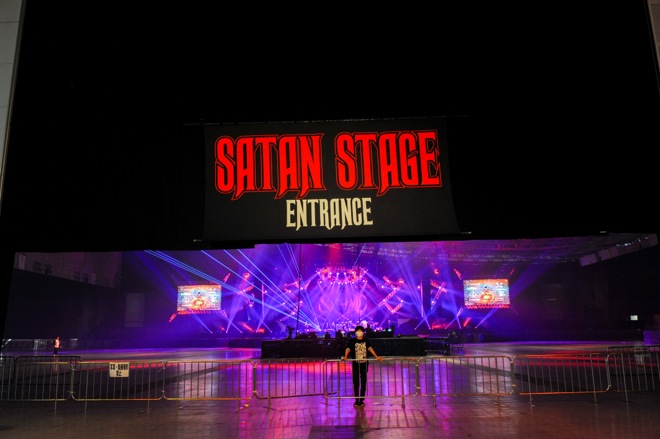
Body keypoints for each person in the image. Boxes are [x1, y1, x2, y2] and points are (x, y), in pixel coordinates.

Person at [343, 325, 383, 407]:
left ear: (363, 332)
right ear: (355, 332)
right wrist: (346, 356)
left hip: (364, 364)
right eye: (357, 331)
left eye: (360, 331)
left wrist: (377, 357)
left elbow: (370, 348)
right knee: (356, 383)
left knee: (363, 382)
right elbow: (348, 348)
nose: (359, 332)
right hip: (355, 365)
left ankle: (361, 400)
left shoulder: (366, 340)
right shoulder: (352, 341)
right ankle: (356, 400)